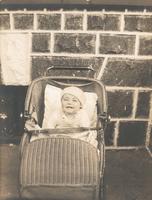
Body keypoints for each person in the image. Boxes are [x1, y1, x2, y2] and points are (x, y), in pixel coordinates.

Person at [25, 86, 97, 147]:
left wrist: (73, 139)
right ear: (61, 102)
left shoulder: (82, 115)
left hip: (76, 140)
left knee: (90, 141)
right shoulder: (57, 113)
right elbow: (49, 127)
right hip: (57, 138)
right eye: (66, 100)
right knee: (39, 137)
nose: (69, 102)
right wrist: (55, 136)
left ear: (80, 105)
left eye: (74, 101)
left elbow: (85, 131)